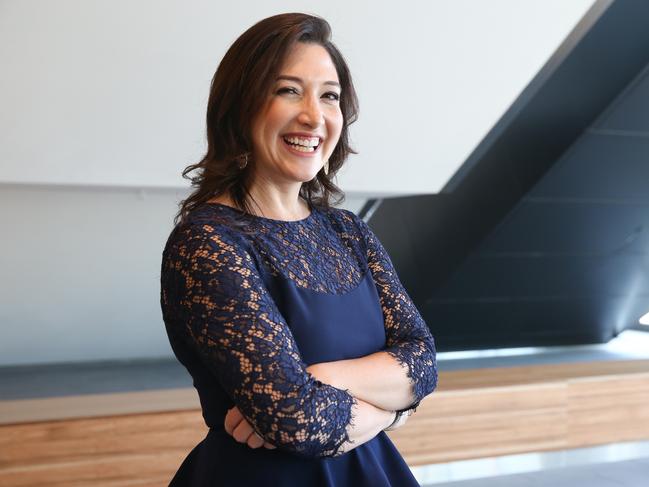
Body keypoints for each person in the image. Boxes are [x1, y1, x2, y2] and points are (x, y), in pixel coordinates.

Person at [160, 12, 438, 486]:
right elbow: (296, 420)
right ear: (240, 106)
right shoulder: (208, 242)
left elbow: (424, 359)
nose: (313, 115)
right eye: (288, 90)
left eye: (329, 96)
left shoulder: (347, 231)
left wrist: (320, 381)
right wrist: (391, 408)